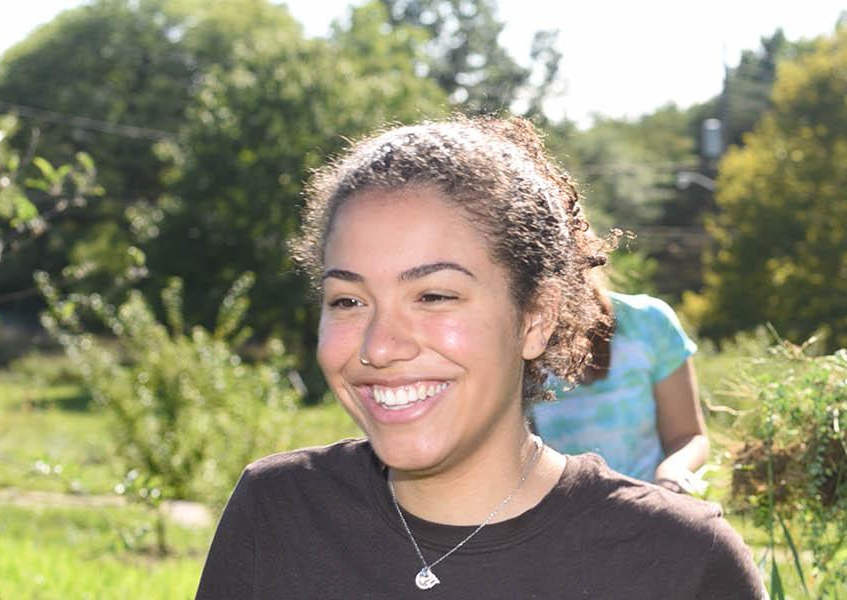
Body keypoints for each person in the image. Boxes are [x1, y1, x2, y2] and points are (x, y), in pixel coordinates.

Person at [195, 117, 765, 598]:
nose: (379, 346)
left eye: (434, 295)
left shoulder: (680, 563)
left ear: (535, 319)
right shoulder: (279, 512)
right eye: (348, 300)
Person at [530, 277, 710, 494]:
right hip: (563, 518)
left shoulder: (648, 322)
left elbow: (689, 437)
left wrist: (671, 474)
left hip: (650, 508)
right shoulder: (514, 337)